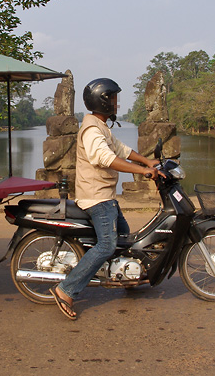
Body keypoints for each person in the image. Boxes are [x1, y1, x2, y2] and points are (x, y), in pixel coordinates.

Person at [50, 78, 163, 320]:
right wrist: (142, 171)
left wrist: (146, 161)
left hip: (106, 197)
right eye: (112, 99)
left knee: (125, 238)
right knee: (107, 245)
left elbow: (121, 150)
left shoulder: (100, 126)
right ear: (102, 101)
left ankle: (128, 277)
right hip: (96, 199)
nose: (116, 104)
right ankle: (65, 290)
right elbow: (105, 158)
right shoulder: (91, 130)